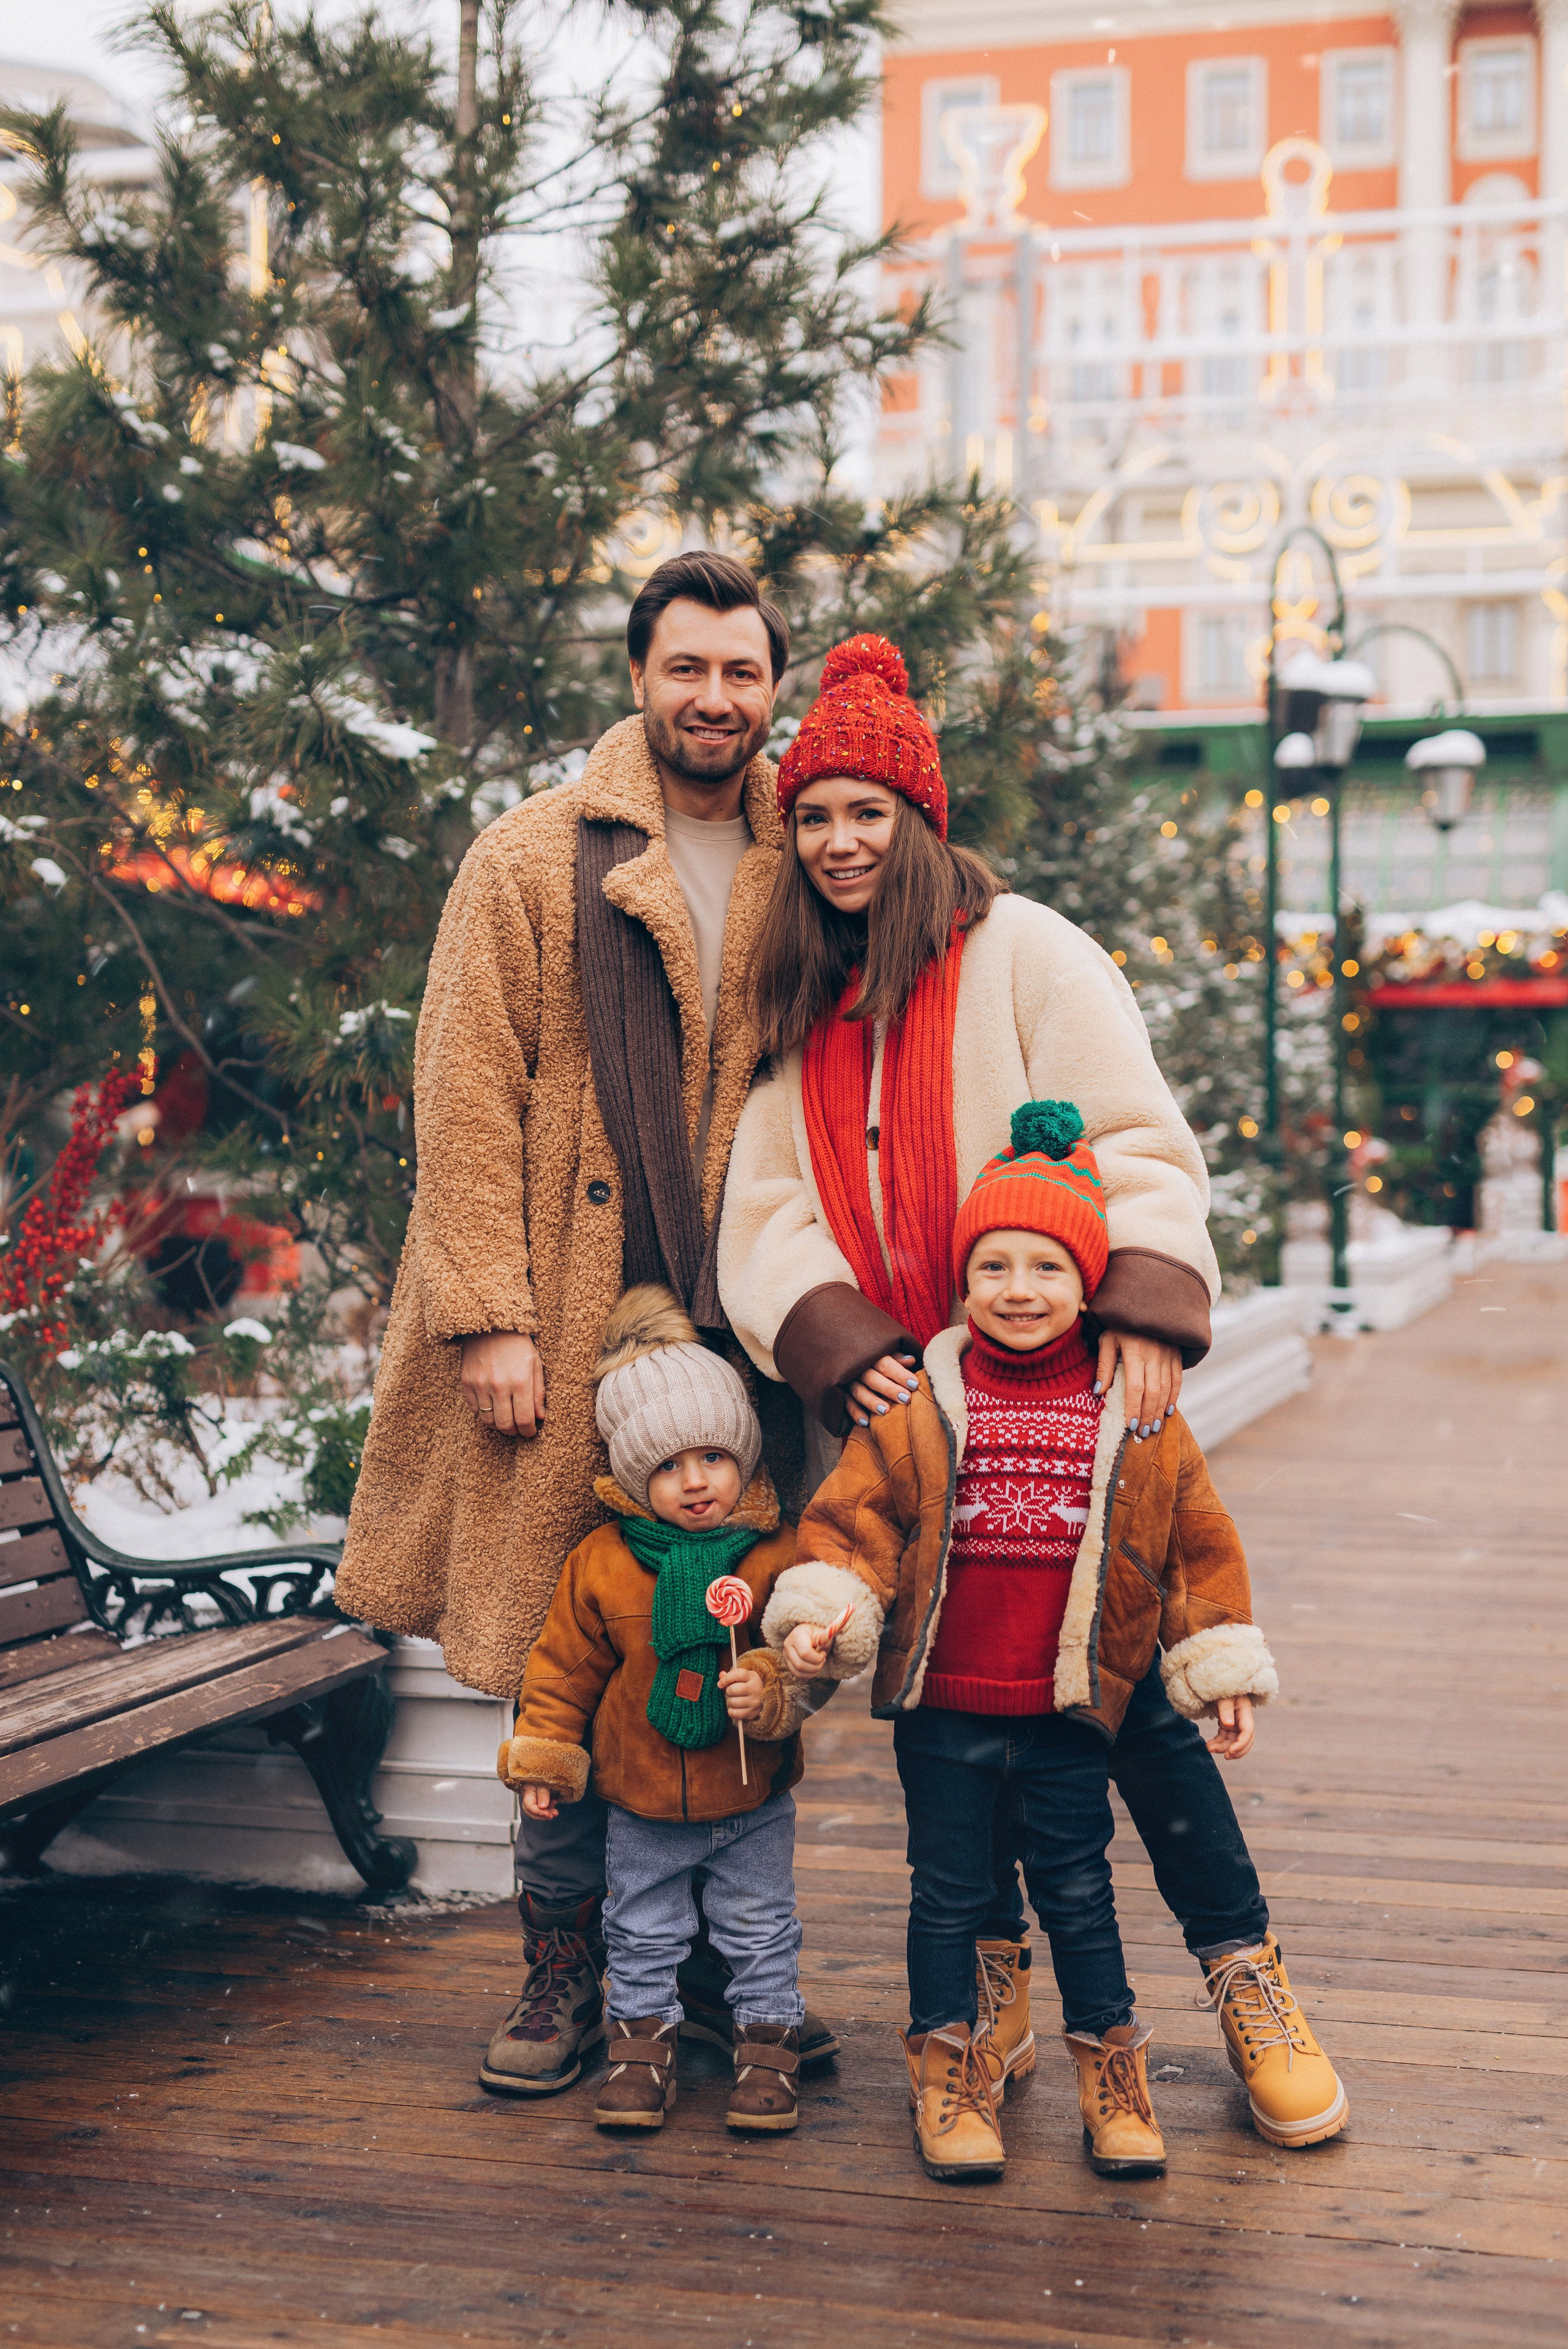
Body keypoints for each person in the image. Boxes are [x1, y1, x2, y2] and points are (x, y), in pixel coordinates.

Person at [714, 629, 1314, 2131]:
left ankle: (1244, 1977)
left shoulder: (1028, 952)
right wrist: (846, 1348)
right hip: (926, 1435)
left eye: (868, 812)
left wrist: (1138, 1309)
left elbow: (1134, 1141)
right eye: (814, 816)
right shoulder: (805, 1004)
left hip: (1064, 1395)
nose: (841, 842)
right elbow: (769, 1205)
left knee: (1139, 1719)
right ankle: (992, 1986)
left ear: (918, 819)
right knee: (959, 1738)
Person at [334, 551, 835, 2097]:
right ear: (639, 677)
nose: (714, 697)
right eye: (686, 667)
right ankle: (564, 1972)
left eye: (741, 671)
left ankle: (712, 1976)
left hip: (730, 1338)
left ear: (772, 688)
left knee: (721, 1640)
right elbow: (466, 1098)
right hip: (560, 1325)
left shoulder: (800, 860)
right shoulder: (530, 858)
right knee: (563, 1657)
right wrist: (487, 1321)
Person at [760, 1105, 1347, 2181]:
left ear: (1092, 1286)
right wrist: (823, 1614)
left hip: (1080, 1693)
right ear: (961, 1279)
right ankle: (965, 2039)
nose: (1020, 1289)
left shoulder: (1130, 1405)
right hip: (949, 1699)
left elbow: (1196, 1542)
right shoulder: (920, 1405)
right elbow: (856, 1522)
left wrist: (1215, 1661)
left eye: (1048, 1267)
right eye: (994, 1265)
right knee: (949, 1884)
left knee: (1087, 1881)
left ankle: (1232, 1984)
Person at [497, 1287, 825, 2133]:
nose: (696, 1481)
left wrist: (776, 1684)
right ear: (635, 1476)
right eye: (669, 1466)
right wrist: (544, 1757)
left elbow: (804, 1650)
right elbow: (563, 1668)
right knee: (639, 1928)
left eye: (713, 1457)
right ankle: (641, 2049)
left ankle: (766, 2044)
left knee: (758, 1928)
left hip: (749, 1800)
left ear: (744, 1455)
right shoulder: (602, 1564)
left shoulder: (773, 1553)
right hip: (638, 1797)